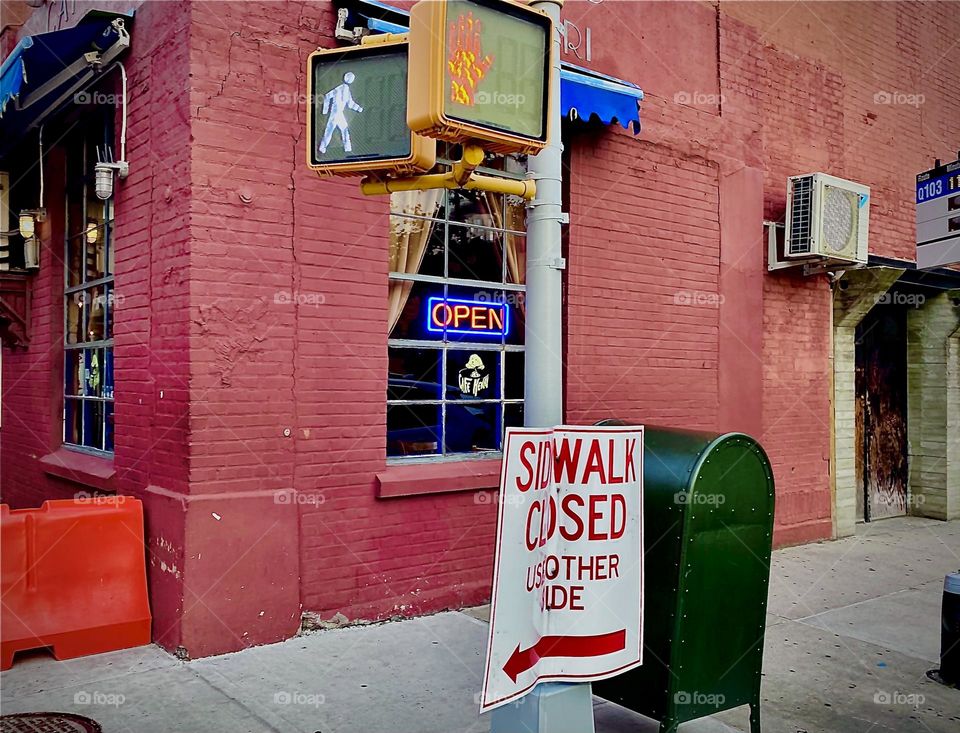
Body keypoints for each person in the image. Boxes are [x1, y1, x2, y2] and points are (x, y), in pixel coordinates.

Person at [318, 71, 363, 155]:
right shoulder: (338, 89)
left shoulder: (347, 91)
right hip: (334, 114)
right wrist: (325, 110)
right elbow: (327, 96)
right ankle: (323, 147)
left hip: (339, 114)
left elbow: (350, 103)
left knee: (343, 130)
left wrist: (359, 109)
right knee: (330, 131)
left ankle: (347, 148)